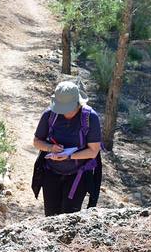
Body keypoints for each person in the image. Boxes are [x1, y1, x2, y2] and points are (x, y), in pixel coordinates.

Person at [32, 80, 102, 215]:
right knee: (51, 217)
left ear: (78, 104)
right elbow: (36, 142)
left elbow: (93, 151)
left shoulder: (90, 118)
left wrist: (69, 156)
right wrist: (50, 147)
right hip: (51, 173)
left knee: (69, 218)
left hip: (78, 175)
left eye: (67, 108)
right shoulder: (50, 114)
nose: (64, 113)